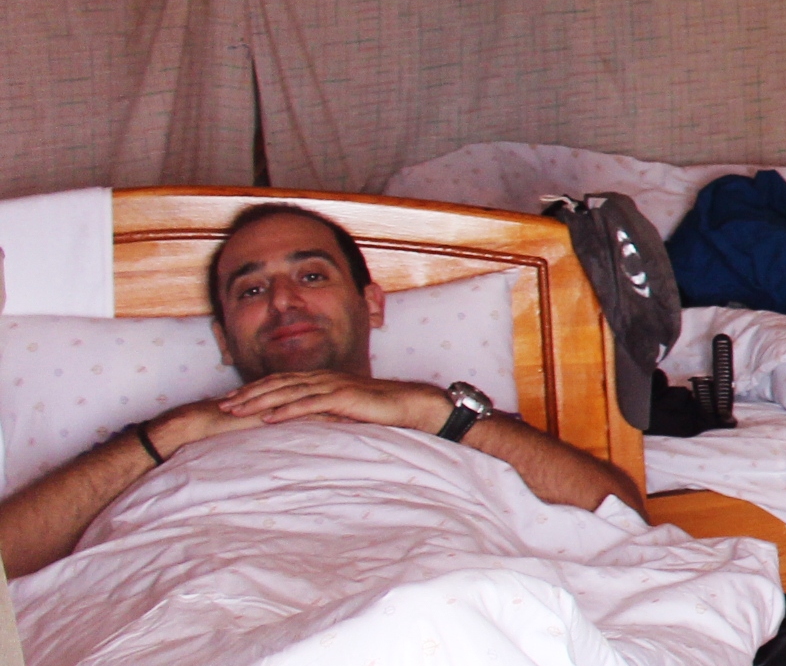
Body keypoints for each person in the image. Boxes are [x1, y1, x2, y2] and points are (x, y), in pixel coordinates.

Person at [0, 202, 642, 578]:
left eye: (311, 276)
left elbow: (619, 513)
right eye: (251, 290)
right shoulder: (165, 439)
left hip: (437, 578)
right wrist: (174, 434)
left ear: (372, 305)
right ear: (224, 340)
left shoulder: (448, 419)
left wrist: (429, 411)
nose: (284, 300)